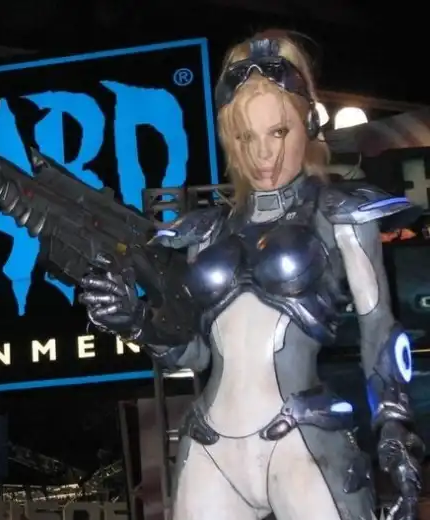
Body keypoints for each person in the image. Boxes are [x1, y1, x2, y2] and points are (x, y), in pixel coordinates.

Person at [78, 31, 424, 520]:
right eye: (246, 137)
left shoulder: (340, 215)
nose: (263, 154)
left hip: (300, 438)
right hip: (211, 444)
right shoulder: (205, 231)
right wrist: (135, 322)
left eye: (278, 132)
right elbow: (196, 353)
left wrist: (393, 427)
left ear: (308, 122)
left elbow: (379, 330)